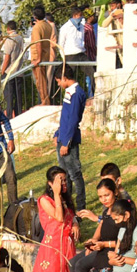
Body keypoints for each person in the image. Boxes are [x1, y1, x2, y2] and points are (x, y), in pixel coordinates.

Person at [30, 166, 77, 272]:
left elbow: (70, 216)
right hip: (52, 248)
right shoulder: (45, 200)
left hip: (67, 247)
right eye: (60, 181)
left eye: (64, 180)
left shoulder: (64, 200)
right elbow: (60, 217)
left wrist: (75, 222)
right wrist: (56, 194)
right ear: (51, 184)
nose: (63, 184)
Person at [53, 65, 88, 205]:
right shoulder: (69, 92)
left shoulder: (76, 93)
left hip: (69, 141)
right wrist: (58, 134)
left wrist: (66, 142)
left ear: (64, 78)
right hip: (63, 137)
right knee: (64, 174)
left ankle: (80, 204)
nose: (58, 84)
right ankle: (68, 203)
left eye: (58, 81)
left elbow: (73, 119)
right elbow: (65, 117)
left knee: (74, 174)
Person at [29, 5, 54, 106]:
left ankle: (44, 101)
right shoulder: (48, 25)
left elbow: (38, 43)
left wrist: (38, 58)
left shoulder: (37, 28)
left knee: (40, 81)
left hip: (38, 56)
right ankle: (45, 100)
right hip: (46, 54)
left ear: (35, 17)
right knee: (43, 79)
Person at [0, 20, 26, 114]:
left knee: (9, 95)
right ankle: (18, 113)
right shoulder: (20, 38)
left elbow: (7, 57)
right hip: (18, 70)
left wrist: (2, 71)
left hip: (9, 71)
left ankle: (10, 114)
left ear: (8, 29)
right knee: (18, 94)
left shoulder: (9, 39)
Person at [58, 5, 87, 73]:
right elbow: (61, 44)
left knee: (92, 72)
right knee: (69, 75)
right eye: (80, 15)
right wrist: (64, 57)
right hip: (70, 55)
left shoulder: (82, 26)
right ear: (75, 15)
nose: (81, 17)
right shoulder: (65, 27)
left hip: (81, 53)